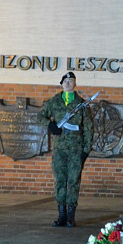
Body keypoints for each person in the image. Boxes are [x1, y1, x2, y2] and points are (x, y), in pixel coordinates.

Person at [38, 72, 94, 227]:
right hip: (60, 149)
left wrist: (86, 150)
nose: (68, 83)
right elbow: (40, 116)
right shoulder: (54, 102)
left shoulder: (81, 104)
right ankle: (61, 215)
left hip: (76, 149)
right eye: (66, 80)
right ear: (61, 83)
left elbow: (89, 128)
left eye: (71, 80)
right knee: (60, 181)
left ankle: (71, 216)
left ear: (75, 84)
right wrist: (51, 126)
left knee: (74, 181)